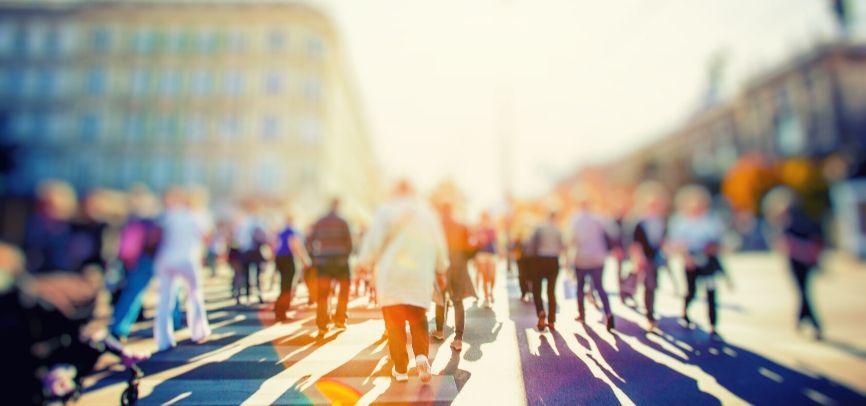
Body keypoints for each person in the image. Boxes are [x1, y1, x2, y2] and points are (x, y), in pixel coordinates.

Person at [358, 180, 449, 383]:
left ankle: (400, 370)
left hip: (391, 279)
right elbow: (439, 246)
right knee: (418, 321)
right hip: (419, 278)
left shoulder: (385, 212)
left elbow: (373, 242)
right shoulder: (427, 214)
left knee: (395, 326)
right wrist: (441, 270)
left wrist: (363, 263)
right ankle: (422, 357)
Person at [153, 188, 212, 351]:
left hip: (165, 259)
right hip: (187, 259)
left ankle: (163, 339)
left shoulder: (170, 215)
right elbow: (207, 238)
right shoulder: (197, 216)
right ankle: (199, 332)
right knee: (194, 294)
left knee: (165, 300)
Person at [668, 185, 731, 336]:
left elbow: (720, 240)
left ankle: (713, 323)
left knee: (711, 291)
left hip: (708, 260)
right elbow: (675, 243)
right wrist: (686, 256)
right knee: (692, 290)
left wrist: (714, 247)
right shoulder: (680, 221)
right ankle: (685, 312)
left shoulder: (711, 219)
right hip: (691, 260)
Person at [110, 187, 163, 341]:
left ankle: (119, 327)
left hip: (137, 260)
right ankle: (118, 328)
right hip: (147, 259)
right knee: (136, 293)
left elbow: (126, 245)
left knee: (132, 293)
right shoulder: (150, 220)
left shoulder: (134, 220)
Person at [432, 203, 477, 351]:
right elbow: (470, 248)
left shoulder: (436, 226)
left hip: (442, 265)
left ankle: (439, 331)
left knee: (440, 299)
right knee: (458, 301)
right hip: (459, 265)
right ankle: (458, 339)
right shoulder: (462, 226)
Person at [308, 198, 354, 336]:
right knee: (344, 290)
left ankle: (322, 324)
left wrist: (314, 257)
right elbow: (350, 242)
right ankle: (340, 318)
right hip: (340, 261)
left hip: (323, 261)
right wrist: (346, 256)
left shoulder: (320, 221)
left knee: (323, 293)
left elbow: (309, 241)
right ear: (338, 205)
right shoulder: (343, 221)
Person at [569, 199, 615, 331]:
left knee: (580, 288)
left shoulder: (575, 221)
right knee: (600, 287)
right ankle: (608, 312)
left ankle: (582, 314)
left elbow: (571, 240)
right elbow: (612, 233)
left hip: (581, 258)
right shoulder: (598, 219)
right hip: (598, 258)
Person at [781, 205, 824, 339]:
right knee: (804, 292)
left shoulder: (790, 227)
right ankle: (803, 319)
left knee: (804, 293)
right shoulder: (806, 224)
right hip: (805, 263)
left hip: (798, 263)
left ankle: (812, 323)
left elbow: (787, 245)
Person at [630, 190, 669, 331]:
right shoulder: (641, 222)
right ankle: (649, 315)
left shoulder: (661, 221)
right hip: (645, 259)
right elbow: (636, 243)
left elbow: (664, 240)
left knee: (654, 285)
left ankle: (651, 311)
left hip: (656, 258)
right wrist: (639, 258)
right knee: (649, 285)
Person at [529, 211, 565, 331]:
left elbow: (531, 244)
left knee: (537, 290)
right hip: (553, 260)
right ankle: (551, 321)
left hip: (540, 260)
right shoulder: (558, 230)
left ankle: (540, 311)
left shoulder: (540, 228)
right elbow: (562, 247)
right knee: (551, 291)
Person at [273, 214, 311, 322]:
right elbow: (295, 245)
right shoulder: (292, 231)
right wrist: (305, 260)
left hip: (279, 258)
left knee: (283, 284)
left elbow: (274, 245)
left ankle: (278, 308)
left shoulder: (281, 231)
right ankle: (281, 312)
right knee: (288, 286)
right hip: (288, 259)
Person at [473, 211, 497, 307]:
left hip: (491, 254)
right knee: (484, 276)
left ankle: (491, 291)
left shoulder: (492, 229)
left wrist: (501, 252)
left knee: (492, 276)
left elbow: (497, 241)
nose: (485, 221)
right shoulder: (478, 229)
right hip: (481, 255)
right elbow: (475, 243)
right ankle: (487, 297)